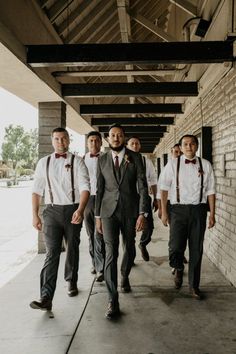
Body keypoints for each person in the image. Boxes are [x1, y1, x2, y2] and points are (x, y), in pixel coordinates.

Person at [30, 127, 90, 312]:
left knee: (72, 247)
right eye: (57, 139)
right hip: (51, 212)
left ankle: (71, 280)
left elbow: (85, 187)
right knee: (51, 253)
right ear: (52, 140)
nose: (60, 142)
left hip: (73, 209)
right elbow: (36, 190)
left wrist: (80, 209)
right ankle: (46, 296)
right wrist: (35, 214)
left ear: (69, 140)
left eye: (63, 139)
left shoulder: (78, 161)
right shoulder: (43, 163)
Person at [95, 124, 149, 319]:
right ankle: (112, 300)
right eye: (112, 135)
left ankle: (125, 274)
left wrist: (143, 213)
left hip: (130, 211)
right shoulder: (101, 160)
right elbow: (100, 189)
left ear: (124, 137)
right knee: (111, 252)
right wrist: (97, 217)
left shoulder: (135, 158)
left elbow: (142, 187)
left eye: (119, 135)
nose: (116, 138)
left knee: (130, 246)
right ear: (108, 139)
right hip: (108, 212)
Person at [159, 134, 215, 300]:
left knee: (196, 249)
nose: (189, 146)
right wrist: (164, 211)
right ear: (181, 147)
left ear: (197, 146)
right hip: (178, 210)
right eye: (185, 144)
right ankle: (178, 268)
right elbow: (163, 189)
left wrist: (212, 213)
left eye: (192, 144)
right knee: (175, 246)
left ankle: (194, 286)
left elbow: (211, 191)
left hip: (198, 210)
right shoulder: (172, 164)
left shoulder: (206, 165)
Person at [126, 136, 158, 261]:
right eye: (132, 143)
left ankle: (143, 243)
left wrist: (155, 198)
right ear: (127, 146)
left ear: (140, 146)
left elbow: (153, 181)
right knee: (129, 230)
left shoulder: (146, 161)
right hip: (129, 199)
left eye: (137, 143)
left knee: (149, 227)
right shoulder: (123, 160)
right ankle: (130, 257)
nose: (134, 146)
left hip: (144, 198)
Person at [84, 131, 105, 282]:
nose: (94, 143)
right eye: (91, 141)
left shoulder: (106, 158)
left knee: (100, 234)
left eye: (97, 141)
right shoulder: (81, 160)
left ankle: (101, 267)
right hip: (86, 200)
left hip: (103, 199)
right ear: (87, 143)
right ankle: (94, 262)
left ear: (101, 143)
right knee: (90, 234)